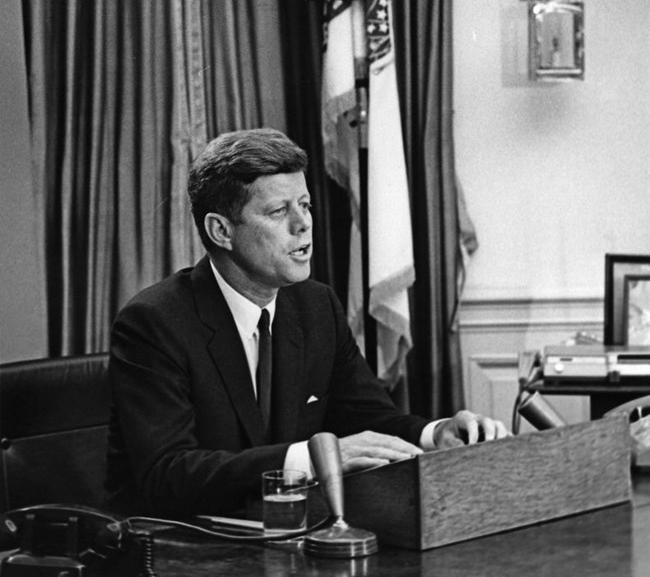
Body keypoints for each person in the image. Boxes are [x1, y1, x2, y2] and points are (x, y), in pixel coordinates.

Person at [105, 128, 508, 519]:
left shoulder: (316, 306)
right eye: (279, 211)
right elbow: (168, 474)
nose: (303, 225)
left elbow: (370, 420)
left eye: (305, 205)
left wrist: (435, 435)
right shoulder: (154, 323)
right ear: (221, 230)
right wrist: (316, 458)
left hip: (286, 538)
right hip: (184, 554)